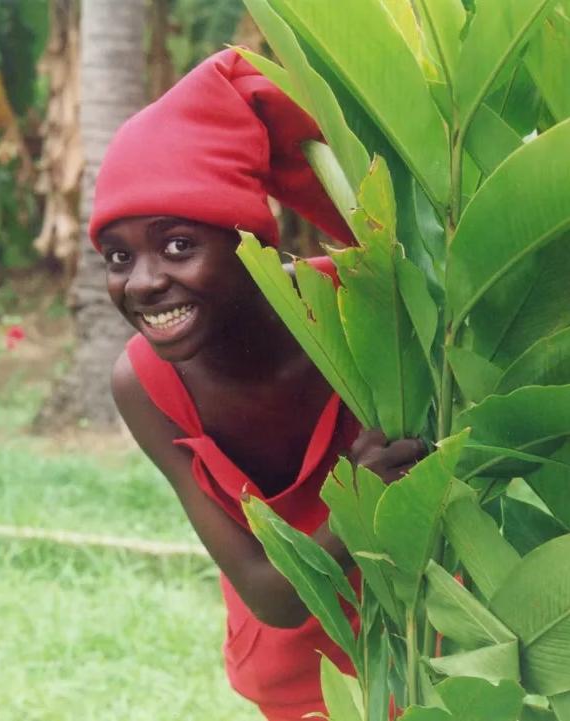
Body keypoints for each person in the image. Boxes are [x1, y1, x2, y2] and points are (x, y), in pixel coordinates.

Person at [89, 49, 426, 721]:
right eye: (119, 256)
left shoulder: (368, 304)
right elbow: (268, 591)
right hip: (293, 675)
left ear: (249, 238)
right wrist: (364, 502)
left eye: (178, 243)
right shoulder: (146, 383)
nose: (144, 281)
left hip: (427, 643)